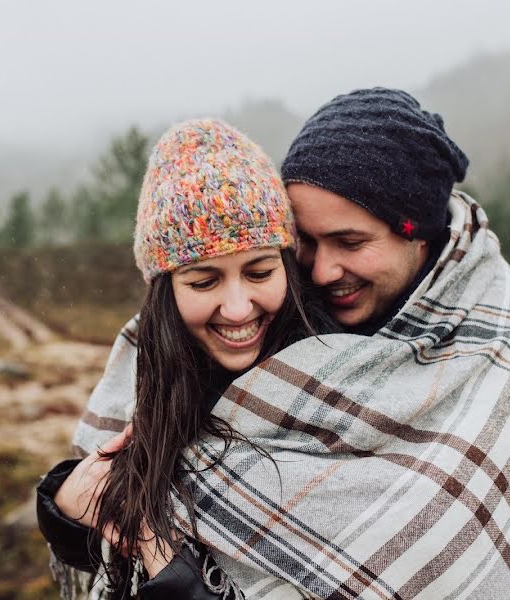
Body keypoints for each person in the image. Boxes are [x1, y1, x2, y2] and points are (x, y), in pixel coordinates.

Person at [46, 89, 510, 599]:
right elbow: (111, 507)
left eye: (349, 241)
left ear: (418, 231)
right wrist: (63, 508)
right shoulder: (223, 338)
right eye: (306, 244)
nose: (320, 271)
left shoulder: (489, 341)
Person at [36, 118, 336, 599]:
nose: (238, 308)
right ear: (165, 293)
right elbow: (100, 560)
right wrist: (62, 509)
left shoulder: (346, 381)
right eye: (204, 282)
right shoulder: (144, 373)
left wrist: (176, 577)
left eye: (260, 272)